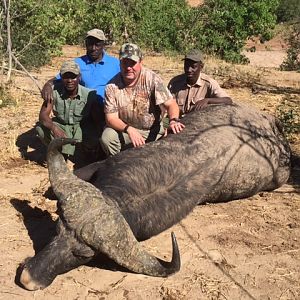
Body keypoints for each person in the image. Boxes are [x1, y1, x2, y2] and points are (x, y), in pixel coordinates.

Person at [100, 43, 185, 156]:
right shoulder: (111, 86)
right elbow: (111, 119)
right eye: (125, 63)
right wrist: (129, 129)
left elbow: (171, 104)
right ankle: (118, 162)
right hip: (125, 130)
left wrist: (174, 120)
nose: (128, 68)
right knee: (107, 137)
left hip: (151, 130)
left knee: (176, 135)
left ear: (140, 62)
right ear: (119, 63)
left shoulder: (152, 79)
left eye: (132, 63)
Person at [36, 60, 103, 164]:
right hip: (61, 126)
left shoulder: (90, 95)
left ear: (79, 77)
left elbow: (98, 121)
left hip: (80, 127)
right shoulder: (53, 92)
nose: (69, 80)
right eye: (66, 77)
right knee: (41, 129)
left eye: (73, 77)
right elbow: (43, 116)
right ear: (61, 78)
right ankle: (58, 153)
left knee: (91, 141)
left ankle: (84, 152)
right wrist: (54, 128)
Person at [41, 28, 120, 105]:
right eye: (90, 44)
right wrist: (48, 85)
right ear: (86, 44)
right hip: (85, 109)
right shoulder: (77, 63)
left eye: (97, 45)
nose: (93, 48)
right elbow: (59, 78)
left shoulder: (115, 63)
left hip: (109, 107)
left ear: (103, 45)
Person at [168, 49, 232, 117]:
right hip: (175, 121)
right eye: (186, 66)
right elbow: (165, 104)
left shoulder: (209, 83)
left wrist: (207, 100)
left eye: (193, 67)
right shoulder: (175, 82)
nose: (189, 70)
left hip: (197, 123)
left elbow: (228, 100)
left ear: (201, 67)